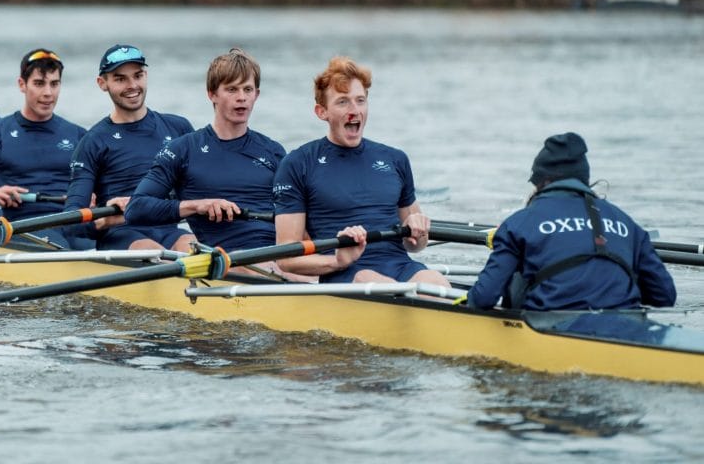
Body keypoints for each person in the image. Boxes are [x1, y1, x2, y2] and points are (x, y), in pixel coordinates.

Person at [273, 56, 449, 286]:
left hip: (399, 264)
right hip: (346, 272)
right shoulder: (298, 163)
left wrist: (419, 231)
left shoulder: (395, 159)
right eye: (343, 102)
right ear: (321, 112)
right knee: (371, 281)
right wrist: (339, 260)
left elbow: (415, 246)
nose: (354, 110)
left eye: (360, 100)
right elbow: (286, 259)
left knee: (435, 281)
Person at [467, 132, 676, 312]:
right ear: (584, 180)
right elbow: (665, 296)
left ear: (543, 181)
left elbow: (482, 299)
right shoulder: (629, 225)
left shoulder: (518, 224)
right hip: (630, 331)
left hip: (552, 330)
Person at [127, 48, 292, 261]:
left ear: (256, 95)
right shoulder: (182, 150)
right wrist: (198, 205)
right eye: (232, 90)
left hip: (280, 254)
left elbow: (300, 210)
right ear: (212, 94)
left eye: (248, 89)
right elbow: (136, 208)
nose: (241, 98)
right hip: (227, 260)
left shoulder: (274, 151)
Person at [0, 48, 91, 248]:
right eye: (39, 84)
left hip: (77, 221)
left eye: (54, 84)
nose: (48, 93)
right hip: (26, 228)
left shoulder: (79, 135)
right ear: (22, 84)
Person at [65, 44, 194, 252]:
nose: (132, 85)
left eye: (138, 75)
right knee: (155, 254)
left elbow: (200, 191)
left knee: (202, 252)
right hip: (121, 234)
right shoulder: (93, 142)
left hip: (169, 231)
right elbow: (70, 224)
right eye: (120, 79)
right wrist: (107, 220)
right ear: (102, 83)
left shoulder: (178, 128)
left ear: (146, 75)